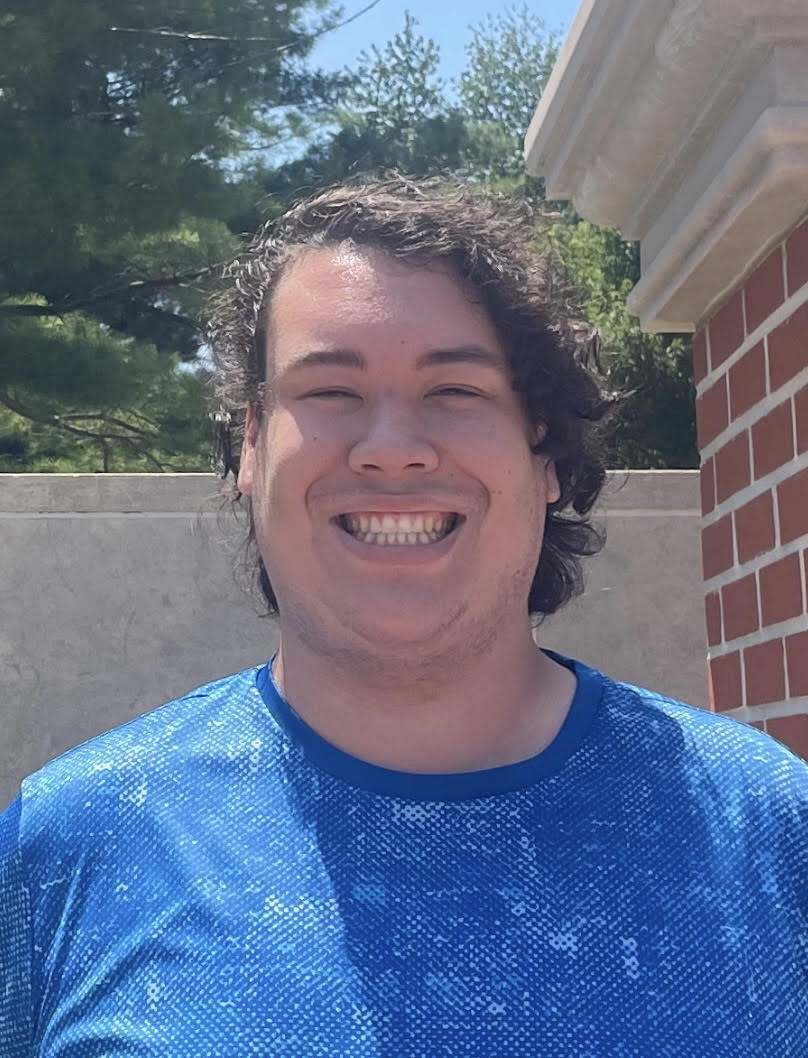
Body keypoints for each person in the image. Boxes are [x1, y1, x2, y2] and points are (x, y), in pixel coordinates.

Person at [1, 176, 806, 1057]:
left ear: (543, 454)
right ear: (249, 447)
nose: (391, 448)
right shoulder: (72, 843)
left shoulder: (767, 827)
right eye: (331, 391)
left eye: (456, 390)